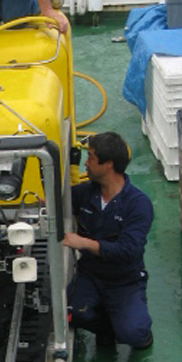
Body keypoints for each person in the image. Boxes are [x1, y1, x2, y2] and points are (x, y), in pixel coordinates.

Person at [63, 132, 154, 349]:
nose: (86, 163)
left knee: (134, 334)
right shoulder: (86, 194)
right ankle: (106, 326)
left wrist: (84, 243)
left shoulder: (138, 204)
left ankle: (132, 326)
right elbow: (60, 199)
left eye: (91, 157)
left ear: (108, 165)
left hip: (124, 280)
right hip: (91, 275)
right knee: (72, 313)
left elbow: (128, 250)